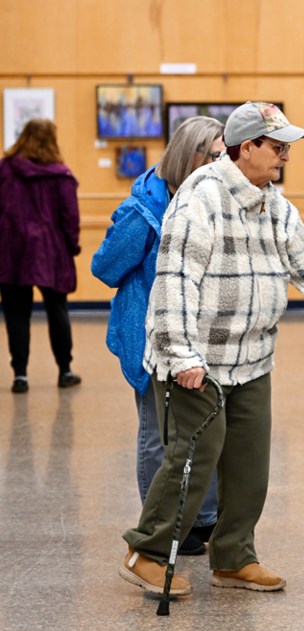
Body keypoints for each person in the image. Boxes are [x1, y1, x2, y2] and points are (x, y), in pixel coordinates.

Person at [119, 102, 304, 597]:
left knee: (249, 463)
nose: (286, 156)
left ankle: (233, 556)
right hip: (197, 360)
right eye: (278, 147)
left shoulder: (275, 205)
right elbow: (174, 281)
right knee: (193, 455)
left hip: (252, 358)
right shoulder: (199, 198)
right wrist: (181, 356)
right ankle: (149, 552)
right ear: (247, 148)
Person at [92, 116, 226, 555]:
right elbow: (105, 268)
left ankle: (201, 520)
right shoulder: (143, 211)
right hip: (150, 336)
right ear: (192, 156)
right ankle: (163, 529)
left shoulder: (213, 200)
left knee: (201, 430)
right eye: (216, 156)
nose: (224, 164)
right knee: (159, 434)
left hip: (199, 335)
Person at [0, 119, 82, 393]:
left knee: (16, 314)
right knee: (57, 310)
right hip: (51, 249)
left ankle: (20, 375)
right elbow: (70, 217)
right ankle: (65, 370)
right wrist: (72, 246)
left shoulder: (6, 169)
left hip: (12, 250)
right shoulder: (60, 174)